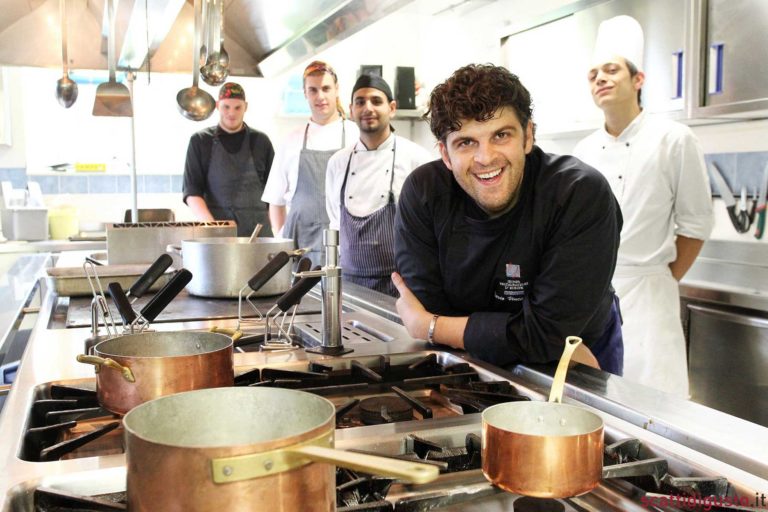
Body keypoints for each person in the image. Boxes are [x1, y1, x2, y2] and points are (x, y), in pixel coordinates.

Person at [391, 64, 625, 374]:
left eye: (501, 135)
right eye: (466, 142)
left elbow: (552, 334)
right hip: (470, 355)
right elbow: (428, 305)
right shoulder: (424, 193)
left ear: (528, 136)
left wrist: (431, 327)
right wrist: (531, 337)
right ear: (445, 155)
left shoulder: (579, 194)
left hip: (578, 360)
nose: (486, 158)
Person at [573, 16, 713, 396]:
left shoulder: (674, 139)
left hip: (651, 297)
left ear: (638, 80)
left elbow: (696, 223)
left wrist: (662, 277)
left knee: (657, 402)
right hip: (595, 295)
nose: (600, 79)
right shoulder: (584, 151)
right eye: (592, 74)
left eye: (611, 70)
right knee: (602, 402)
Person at [326, 74, 432, 296]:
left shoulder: (416, 158)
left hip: (401, 285)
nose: (368, 108)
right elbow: (335, 221)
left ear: (392, 108)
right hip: (349, 285)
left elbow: (430, 228)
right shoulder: (338, 162)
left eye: (376, 101)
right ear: (351, 109)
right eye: (360, 101)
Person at [261, 61, 359, 265]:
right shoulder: (291, 141)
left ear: (337, 90)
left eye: (326, 89)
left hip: (344, 248)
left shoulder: (355, 136)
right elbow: (275, 202)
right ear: (305, 93)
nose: (320, 96)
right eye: (313, 90)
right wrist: (282, 241)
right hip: (299, 249)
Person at [182, 82, 274, 237]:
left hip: (259, 236)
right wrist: (213, 228)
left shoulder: (261, 141)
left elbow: (275, 192)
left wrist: (279, 231)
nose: (232, 113)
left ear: (246, 107)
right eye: (226, 107)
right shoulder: (200, 141)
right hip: (218, 237)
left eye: (237, 107)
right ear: (218, 106)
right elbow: (192, 191)